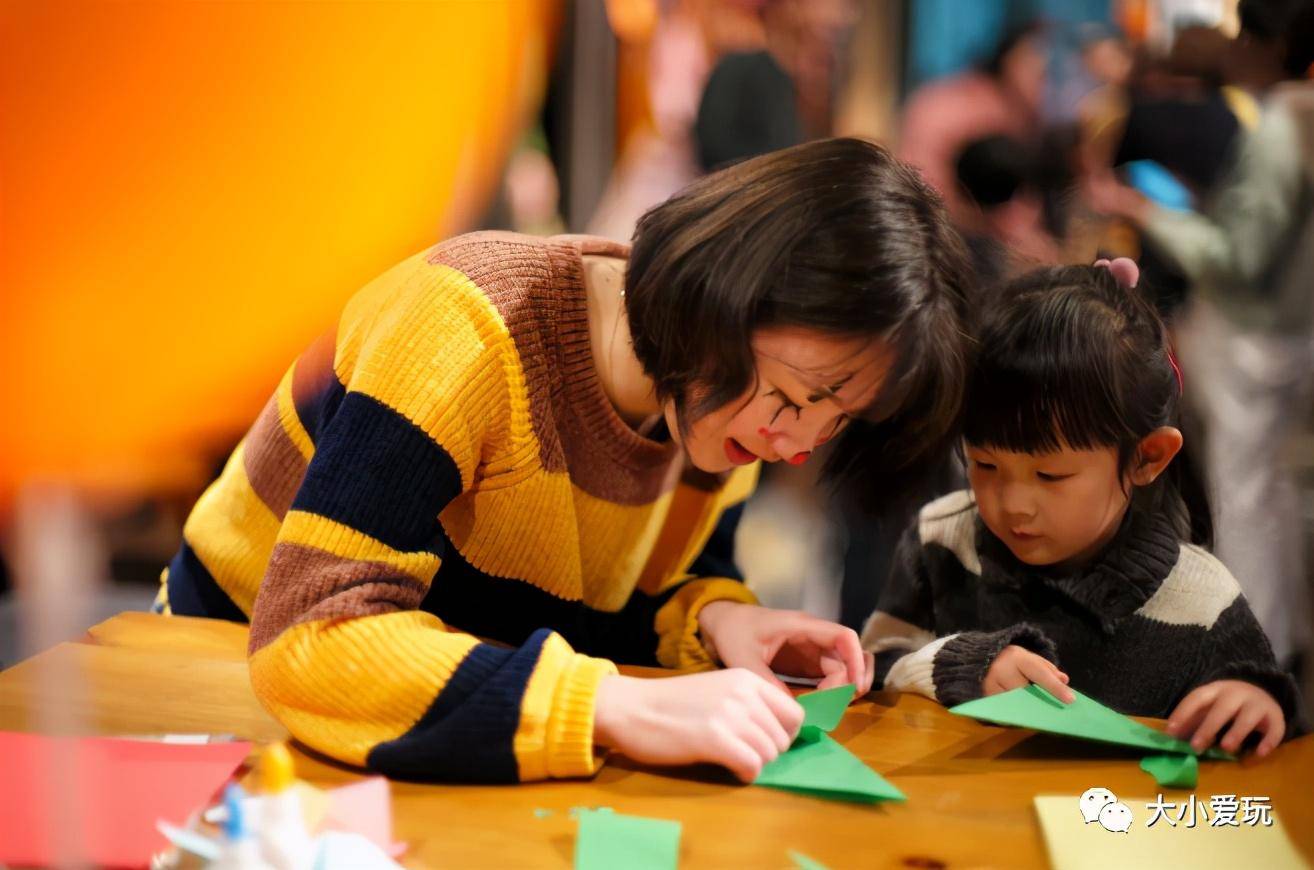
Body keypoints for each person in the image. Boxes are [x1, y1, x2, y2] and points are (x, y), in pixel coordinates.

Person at [157, 137, 974, 783]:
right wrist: (608, 705)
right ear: (721, 296)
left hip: (439, 701)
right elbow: (315, 635)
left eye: (835, 421)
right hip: (223, 689)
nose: (794, 443)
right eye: (797, 399)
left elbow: (617, 595)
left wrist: (720, 619)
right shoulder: (467, 326)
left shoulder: (716, 403)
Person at [860, 264, 1300, 757]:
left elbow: (1268, 716)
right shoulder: (942, 540)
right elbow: (873, 669)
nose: (1013, 505)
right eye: (984, 464)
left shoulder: (1200, 601)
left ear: (1146, 457)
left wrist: (1258, 702)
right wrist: (960, 665)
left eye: (1050, 476)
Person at [1085, 0, 1314, 668]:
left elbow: (1238, 259)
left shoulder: (1285, 119)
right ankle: (1277, 647)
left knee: (1242, 500)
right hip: (1294, 335)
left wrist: (1147, 211)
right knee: (1271, 497)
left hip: (1252, 339)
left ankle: (1248, 655)